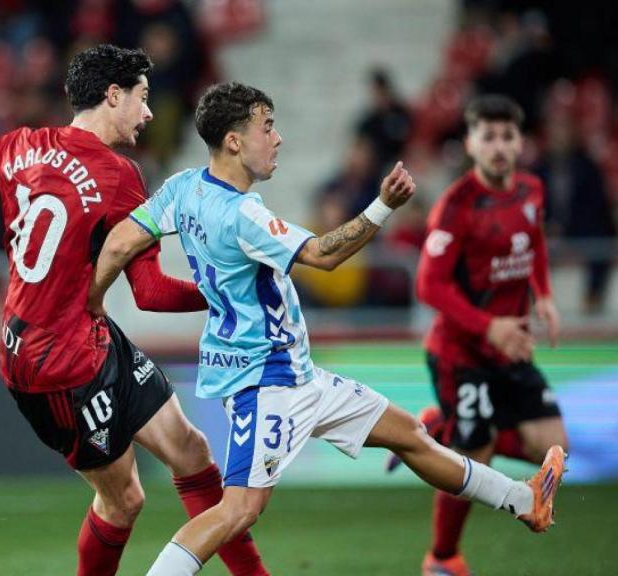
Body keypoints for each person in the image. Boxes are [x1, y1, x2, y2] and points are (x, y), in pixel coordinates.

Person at [85, 82, 566, 576]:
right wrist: (382, 206)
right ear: (233, 141)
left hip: (297, 375)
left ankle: (524, 500)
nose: (277, 138)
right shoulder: (244, 215)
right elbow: (324, 254)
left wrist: (92, 301)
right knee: (238, 510)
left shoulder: (184, 187)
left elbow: (120, 241)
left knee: (410, 435)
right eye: (267, 127)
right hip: (265, 383)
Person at [0, 45, 270, 576]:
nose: (148, 113)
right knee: (124, 500)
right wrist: (231, 290)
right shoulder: (119, 175)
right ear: (112, 95)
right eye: (141, 98)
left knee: (191, 450)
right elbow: (150, 293)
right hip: (56, 370)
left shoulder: (17, 146)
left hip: (85, 334)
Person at [402, 94, 570, 576]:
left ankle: (440, 428)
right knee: (474, 456)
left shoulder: (532, 190)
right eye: (488, 136)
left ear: (521, 143)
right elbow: (428, 285)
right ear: (471, 144)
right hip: (461, 352)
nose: (498, 146)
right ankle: (442, 559)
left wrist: (543, 294)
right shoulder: (456, 207)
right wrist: (489, 326)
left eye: (507, 136)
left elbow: (533, 243)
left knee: (552, 445)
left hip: (510, 349)